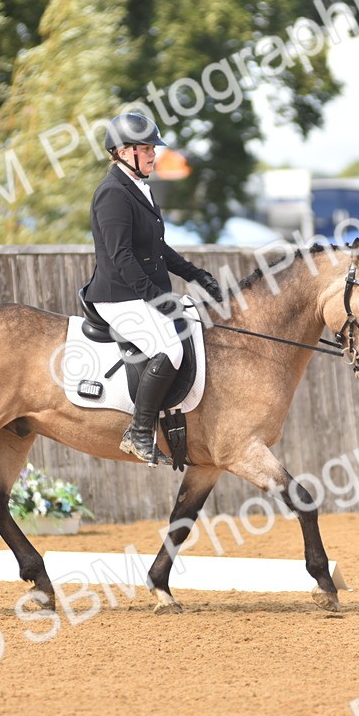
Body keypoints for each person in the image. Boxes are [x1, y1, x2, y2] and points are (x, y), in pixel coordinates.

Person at [83, 113, 223, 464]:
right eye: (145, 149)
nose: (153, 155)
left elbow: (157, 248)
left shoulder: (139, 189)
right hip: (117, 296)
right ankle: (139, 431)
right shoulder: (112, 193)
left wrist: (195, 275)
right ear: (121, 151)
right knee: (171, 349)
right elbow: (122, 256)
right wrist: (156, 298)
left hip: (139, 292)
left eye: (152, 148)